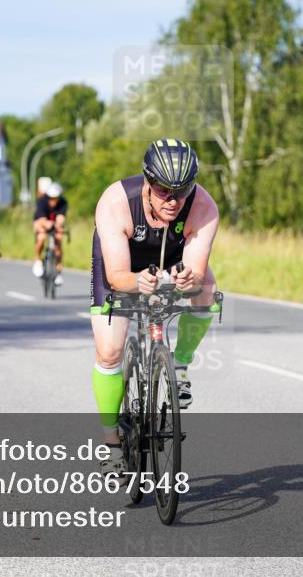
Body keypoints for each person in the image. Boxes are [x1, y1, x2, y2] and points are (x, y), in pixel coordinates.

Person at [89, 138, 220, 477]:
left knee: (207, 288)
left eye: (183, 190)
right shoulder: (116, 202)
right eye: (163, 190)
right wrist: (137, 283)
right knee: (109, 352)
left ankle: (179, 364)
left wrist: (187, 280)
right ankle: (112, 445)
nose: (173, 200)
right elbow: (117, 276)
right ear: (148, 181)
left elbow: (195, 273)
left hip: (172, 254)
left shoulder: (203, 206)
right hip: (123, 262)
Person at [32, 182, 68, 286]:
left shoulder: (63, 202)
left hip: (54, 223)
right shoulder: (42, 201)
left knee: (58, 242)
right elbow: (42, 219)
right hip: (42, 221)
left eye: (55, 198)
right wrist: (48, 224)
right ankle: (38, 260)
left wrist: (58, 226)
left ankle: (58, 272)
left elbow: (61, 217)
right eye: (51, 198)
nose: (53, 201)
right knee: (41, 237)